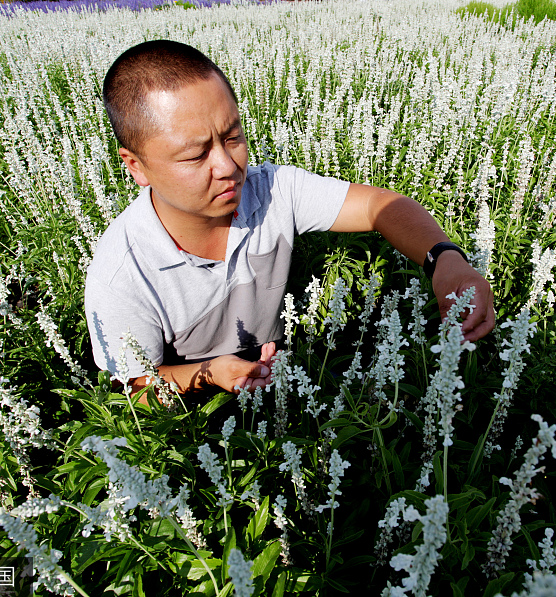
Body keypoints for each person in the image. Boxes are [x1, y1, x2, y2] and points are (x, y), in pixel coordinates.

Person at [84, 40, 494, 401]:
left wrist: (446, 260)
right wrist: (210, 375)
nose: (229, 166)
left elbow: (379, 206)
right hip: (194, 423)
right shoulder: (121, 274)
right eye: (195, 155)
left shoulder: (272, 190)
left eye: (232, 137)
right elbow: (136, 389)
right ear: (136, 166)